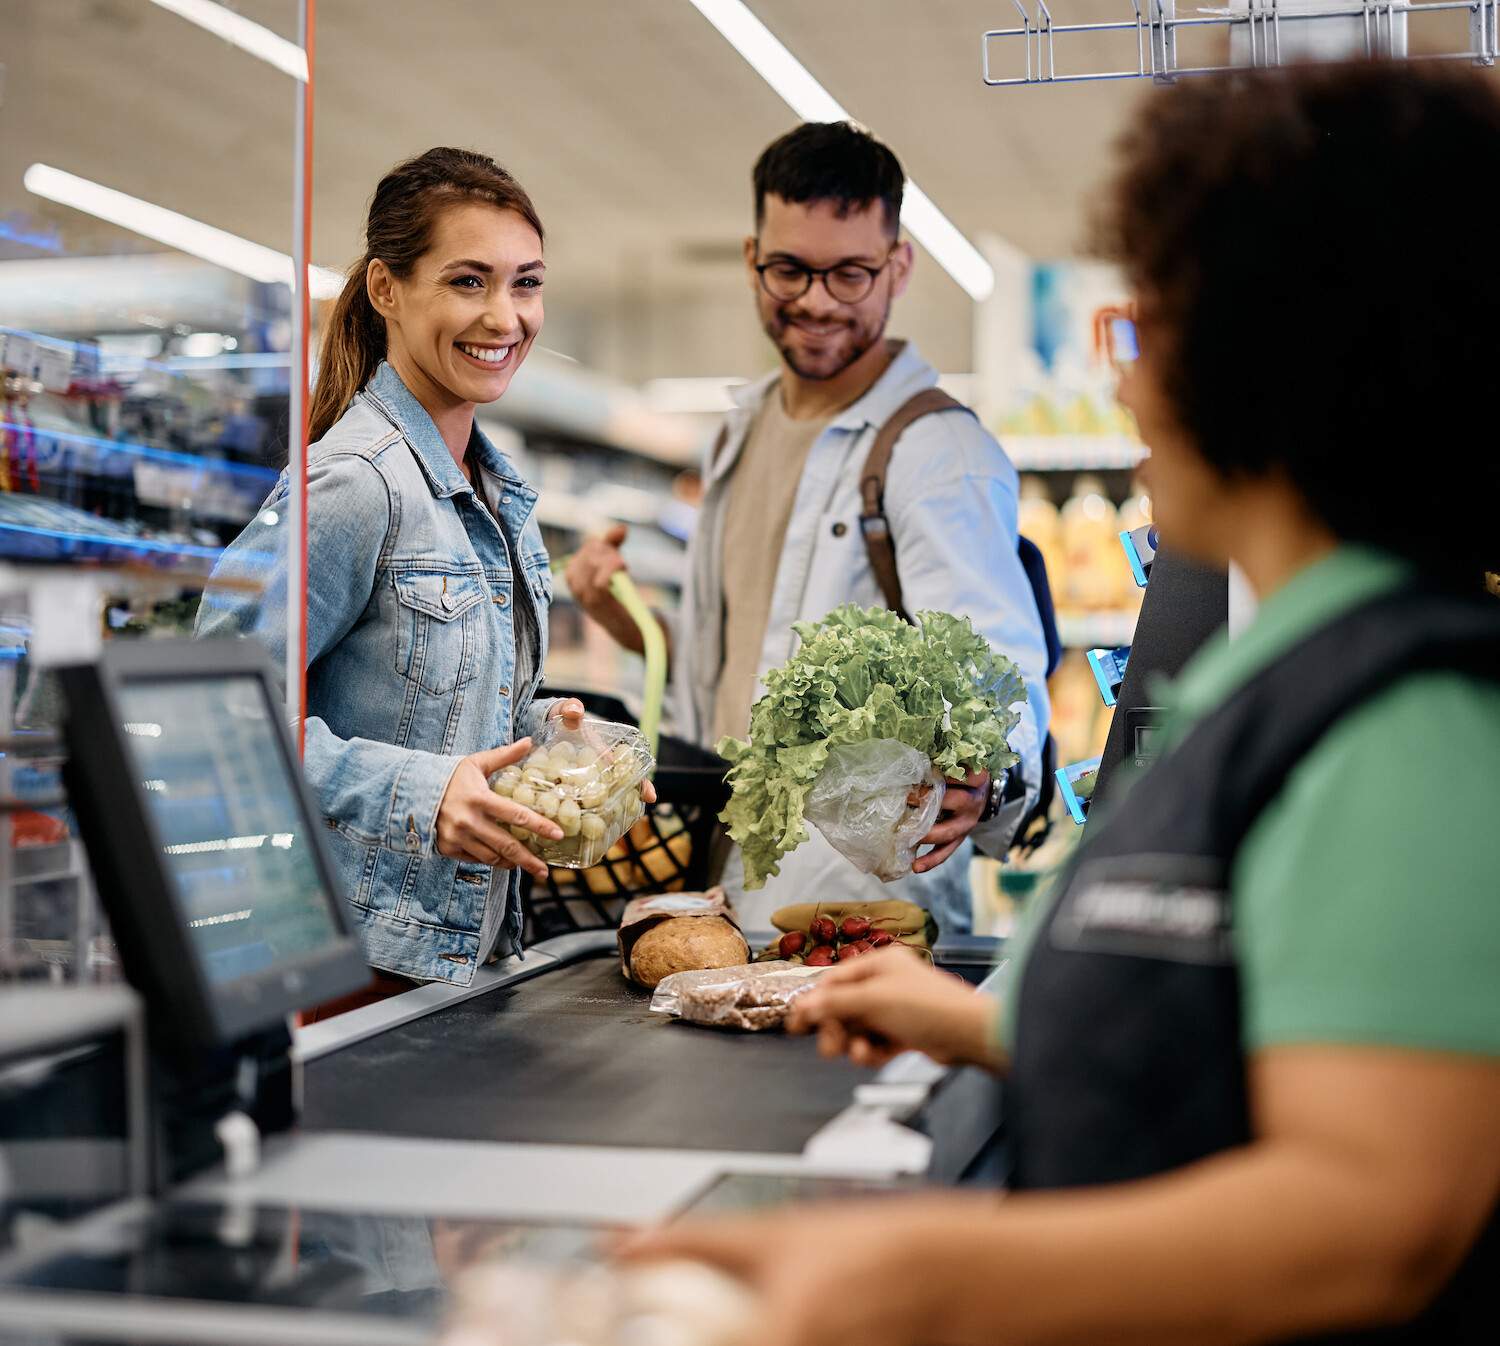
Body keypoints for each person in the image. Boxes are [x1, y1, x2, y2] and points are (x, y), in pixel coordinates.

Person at [624, 62, 1500, 1343]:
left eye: (1158, 334)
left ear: (1287, 363)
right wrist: (985, 1020)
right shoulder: (1284, 680)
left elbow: (1378, 1216)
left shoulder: (1408, 723)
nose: (1129, 390)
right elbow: (1229, 1033)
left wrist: (914, 1278)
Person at [566, 122, 1050, 934]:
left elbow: (999, 674)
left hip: (859, 910)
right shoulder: (740, 429)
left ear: (898, 266)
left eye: (850, 273)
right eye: (790, 269)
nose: (816, 300)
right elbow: (750, 671)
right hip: (719, 886)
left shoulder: (936, 452)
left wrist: (987, 781)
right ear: (754, 256)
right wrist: (634, 622)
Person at [198, 148, 649, 987]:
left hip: (450, 965)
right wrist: (423, 793)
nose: (505, 317)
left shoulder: (493, 486)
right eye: (468, 281)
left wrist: (550, 740)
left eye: (526, 283)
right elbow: (210, 716)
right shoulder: (355, 484)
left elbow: (406, 702)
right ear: (385, 290)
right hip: (344, 966)